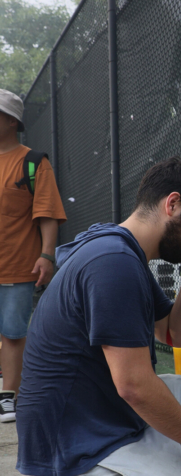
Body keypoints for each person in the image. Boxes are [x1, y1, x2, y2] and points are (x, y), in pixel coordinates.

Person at [16, 158, 181, 475]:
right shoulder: (112, 262)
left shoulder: (124, 252)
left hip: (110, 411)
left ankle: (154, 447)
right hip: (74, 440)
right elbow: (133, 386)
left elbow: (174, 335)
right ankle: (148, 455)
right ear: (173, 204)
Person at [0, 89, 67, 423]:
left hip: (16, 265)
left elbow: (47, 213)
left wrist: (47, 255)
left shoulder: (33, 162)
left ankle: (7, 396)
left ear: (11, 121)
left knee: (12, 332)